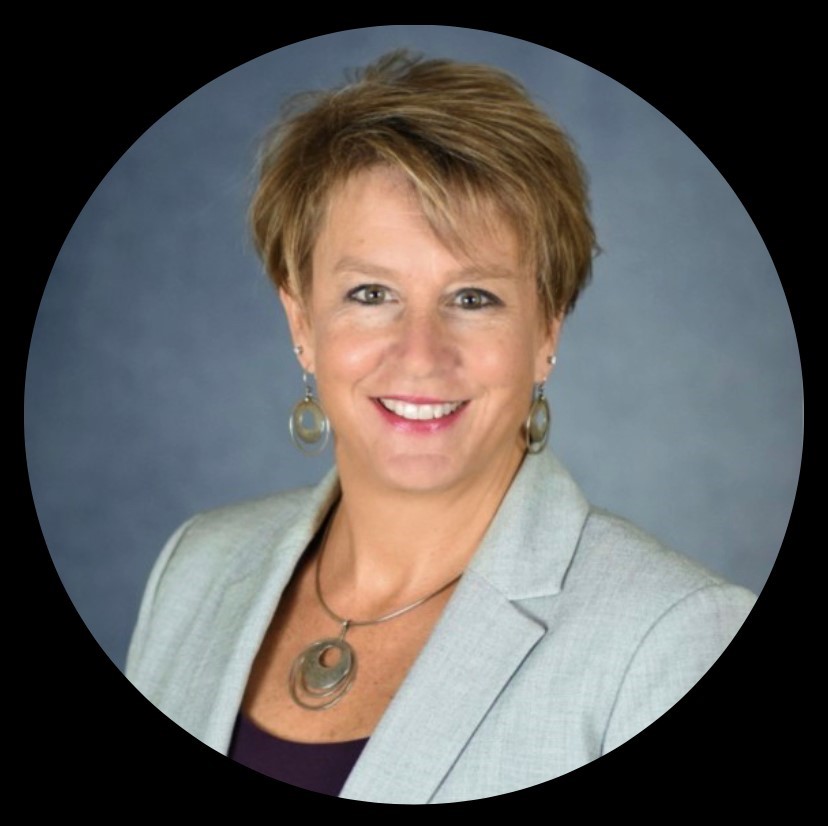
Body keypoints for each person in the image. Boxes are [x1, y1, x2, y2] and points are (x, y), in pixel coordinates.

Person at [125, 50, 757, 803]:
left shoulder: (677, 638)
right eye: (370, 292)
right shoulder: (194, 568)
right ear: (301, 320)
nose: (420, 355)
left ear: (548, 328)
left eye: (473, 298)